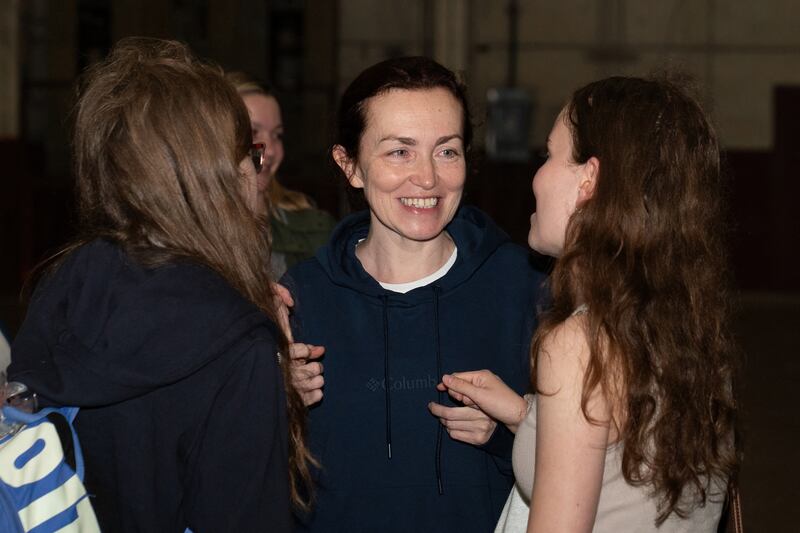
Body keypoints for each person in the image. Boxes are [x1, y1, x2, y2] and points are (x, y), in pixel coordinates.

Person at [8, 38, 313, 532]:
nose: (260, 172)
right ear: (216, 176)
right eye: (250, 153)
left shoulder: (68, 279)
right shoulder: (236, 340)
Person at [438, 75, 739, 532]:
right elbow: (628, 465)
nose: (537, 175)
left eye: (549, 155)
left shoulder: (579, 345)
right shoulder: (688, 325)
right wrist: (527, 415)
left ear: (588, 179)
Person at [281, 56, 549, 532]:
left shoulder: (523, 287)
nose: (428, 178)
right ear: (351, 166)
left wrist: (511, 434)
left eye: (446, 151)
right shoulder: (301, 300)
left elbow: (591, 465)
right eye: (400, 152)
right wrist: (274, 406)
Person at [227, 72, 337, 278]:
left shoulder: (315, 232)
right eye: (253, 132)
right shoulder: (188, 233)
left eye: (277, 135)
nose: (269, 151)